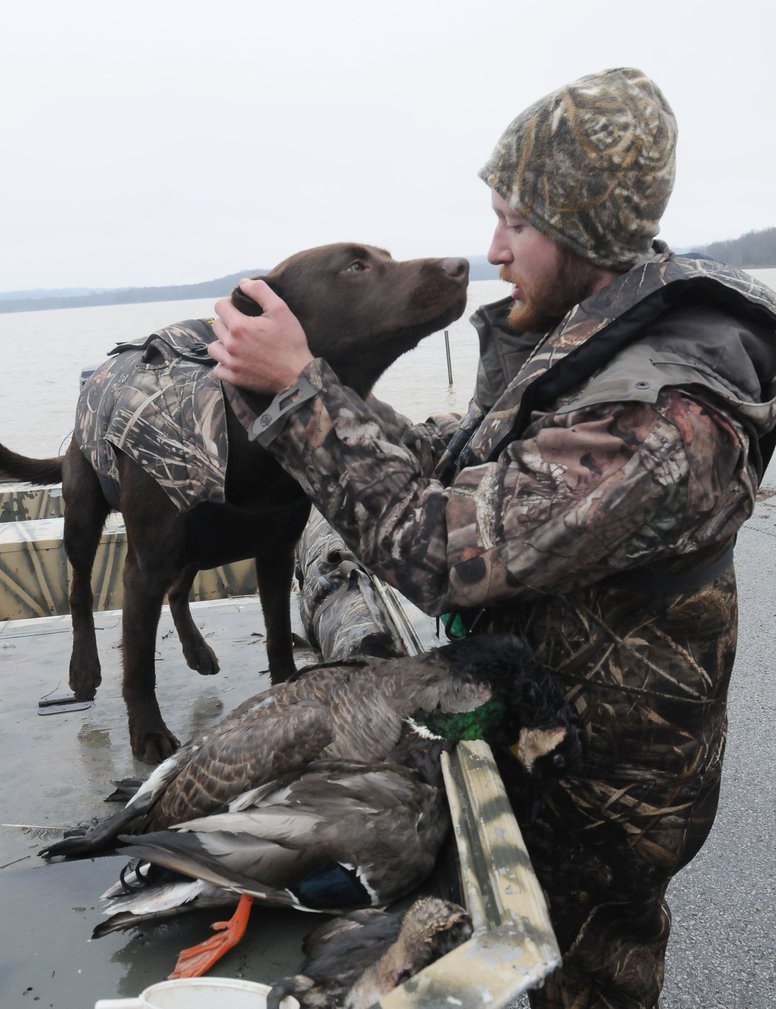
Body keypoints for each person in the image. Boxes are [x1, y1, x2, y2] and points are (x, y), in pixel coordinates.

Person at [208, 67, 776, 1009]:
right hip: (558, 741)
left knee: (593, 977)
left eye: (515, 221)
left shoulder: (660, 418)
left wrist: (305, 391)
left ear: (582, 229)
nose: (492, 248)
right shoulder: (594, 337)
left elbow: (446, 552)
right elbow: (468, 462)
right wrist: (305, 398)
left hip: (608, 791)